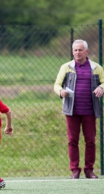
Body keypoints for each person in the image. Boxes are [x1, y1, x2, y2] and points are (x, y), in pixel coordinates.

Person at [54, 39, 104, 179]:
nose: (78, 52)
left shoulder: (96, 68)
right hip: (72, 111)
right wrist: (61, 91)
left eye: (80, 50)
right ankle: (75, 170)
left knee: (91, 141)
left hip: (90, 111)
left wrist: (101, 87)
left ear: (86, 51)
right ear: (72, 52)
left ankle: (89, 170)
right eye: (75, 50)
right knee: (72, 140)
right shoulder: (66, 67)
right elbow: (57, 84)